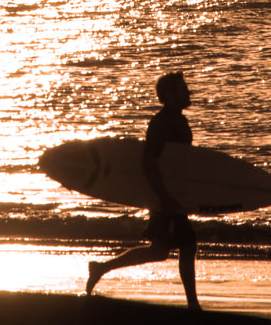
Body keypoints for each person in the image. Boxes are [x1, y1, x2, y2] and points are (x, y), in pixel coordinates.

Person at [85, 72, 200, 309]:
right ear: (169, 95)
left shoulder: (177, 119)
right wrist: (163, 197)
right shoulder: (162, 123)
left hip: (171, 195)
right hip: (163, 196)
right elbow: (149, 162)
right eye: (183, 88)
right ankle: (193, 306)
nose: (188, 92)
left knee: (159, 251)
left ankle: (101, 267)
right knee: (187, 244)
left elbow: (179, 161)